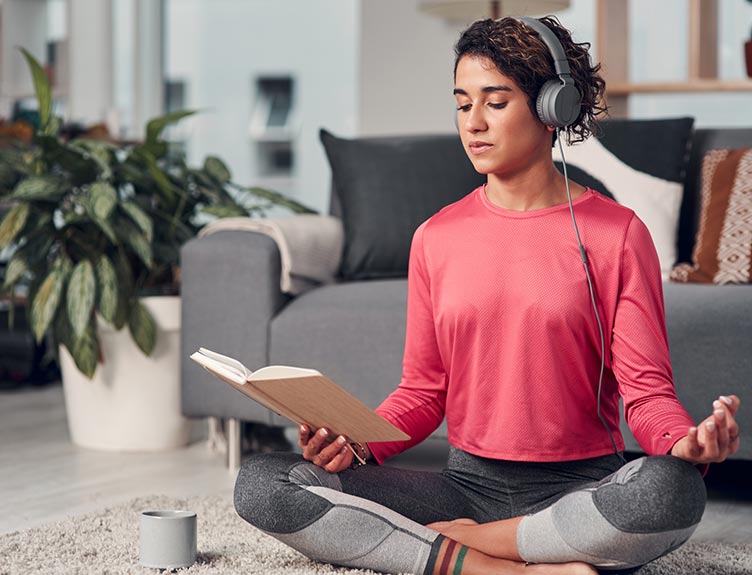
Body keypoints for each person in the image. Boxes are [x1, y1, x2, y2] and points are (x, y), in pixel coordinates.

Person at [233, 16, 741, 575]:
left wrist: (683, 443)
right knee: (264, 483)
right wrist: (357, 444)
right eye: (462, 103)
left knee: (672, 490)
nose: (472, 123)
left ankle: (477, 545)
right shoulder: (435, 236)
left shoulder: (617, 235)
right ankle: (499, 565)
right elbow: (423, 391)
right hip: (464, 487)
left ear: (554, 109)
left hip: (582, 490)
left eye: (495, 103)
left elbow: (646, 395)